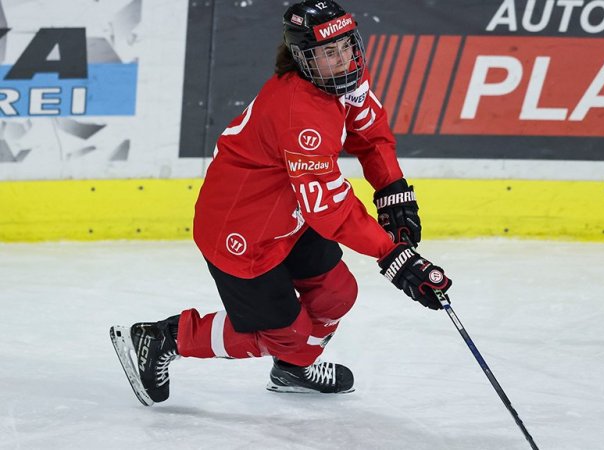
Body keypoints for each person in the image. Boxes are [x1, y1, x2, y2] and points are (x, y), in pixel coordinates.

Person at [110, 0, 452, 406]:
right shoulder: (299, 113)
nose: (343, 59)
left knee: (336, 294)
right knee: (288, 338)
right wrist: (391, 254)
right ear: (303, 58)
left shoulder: (341, 77)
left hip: (290, 217)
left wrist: (391, 189)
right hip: (242, 231)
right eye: (328, 52)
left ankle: (293, 369)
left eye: (346, 46)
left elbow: (369, 129)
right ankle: (164, 337)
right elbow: (329, 208)